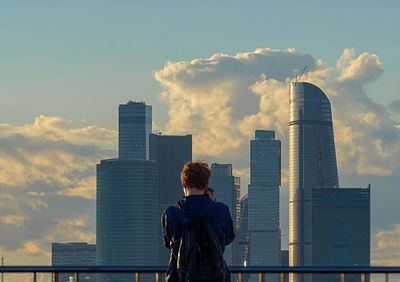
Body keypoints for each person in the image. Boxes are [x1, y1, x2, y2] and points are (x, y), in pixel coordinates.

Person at [161, 161, 235, 282]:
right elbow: (228, 238)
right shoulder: (221, 210)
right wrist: (213, 204)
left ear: (184, 183)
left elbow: (167, 243)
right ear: (206, 185)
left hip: (179, 277)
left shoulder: (170, 213)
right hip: (216, 277)